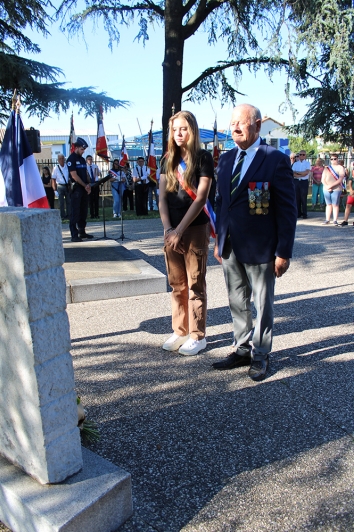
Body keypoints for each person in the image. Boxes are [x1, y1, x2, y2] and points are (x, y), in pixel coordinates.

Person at [212, 103, 297, 381]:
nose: (234, 127)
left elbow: (287, 209)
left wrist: (283, 251)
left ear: (257, 125)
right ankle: (241, 348)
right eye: (232, 122)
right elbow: (222, 202)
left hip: (261, 246)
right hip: (230, 245)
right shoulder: (226, 160)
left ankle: (260, 353)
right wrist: (218, 239)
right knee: (237, 299)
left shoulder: (274, 159)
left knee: (262, 302)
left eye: (241, 122)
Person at [159, 110, 215, 356]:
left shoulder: (203, 158)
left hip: (194, 228)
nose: (178, 134)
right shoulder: (167, 159)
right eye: (174, 129)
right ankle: (180, 331)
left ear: (192, 130)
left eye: (183, 129)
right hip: (172, 231)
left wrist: (179, 230)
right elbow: (161, 198)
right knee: (177, 284)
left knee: (195, 284)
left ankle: (197, 336)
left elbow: (201, 197)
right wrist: (169, 229)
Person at [67, 137, 93, 242]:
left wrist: (89, 184)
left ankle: (82, 231)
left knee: (83, 211)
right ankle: (74, 234)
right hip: (76, 188)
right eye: (82, 149)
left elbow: (85, 173)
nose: (83, 152)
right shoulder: (71, 159)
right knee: (75, 211)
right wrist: (84, 185)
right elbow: (74, 175)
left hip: (84, 188)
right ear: (76, 148)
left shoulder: (82, 159)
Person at [321, 154, 346, 225]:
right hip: (326, 188)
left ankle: (335, 220)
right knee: (328, 204)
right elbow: (323, 179)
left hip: (336, 188)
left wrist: (331, 186)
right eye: (331, 159)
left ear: (337, 159)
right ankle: (327, 219)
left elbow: (340, 179)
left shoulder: (340, 168)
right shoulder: (327, 168)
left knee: (335, 204)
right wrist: (327, 186)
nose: (333, 160)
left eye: (335, 159)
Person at [293, 150, 311, 218]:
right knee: (297, 198)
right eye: (300, 154)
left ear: (305, 156)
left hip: (304, 181)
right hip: (297, 181)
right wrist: (300, 174)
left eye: (303, 155)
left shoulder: (307, 163)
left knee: (303, 198)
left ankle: (304, 213)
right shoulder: (295, 164)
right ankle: (298, 213)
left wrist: (298, 173)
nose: (302, 156)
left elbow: (306, 172)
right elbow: (293, 173)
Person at [52, 154, 71, 219]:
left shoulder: (67, 166)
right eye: (60, 158)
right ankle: (62, 215)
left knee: (68, 201)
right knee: (61, 202)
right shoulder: (56, 168)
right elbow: (53, 179)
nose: (61, 160)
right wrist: (55, 190)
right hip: (60, 186)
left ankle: (69, 215)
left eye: (62, 158)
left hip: (67, 185)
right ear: (58, 160)